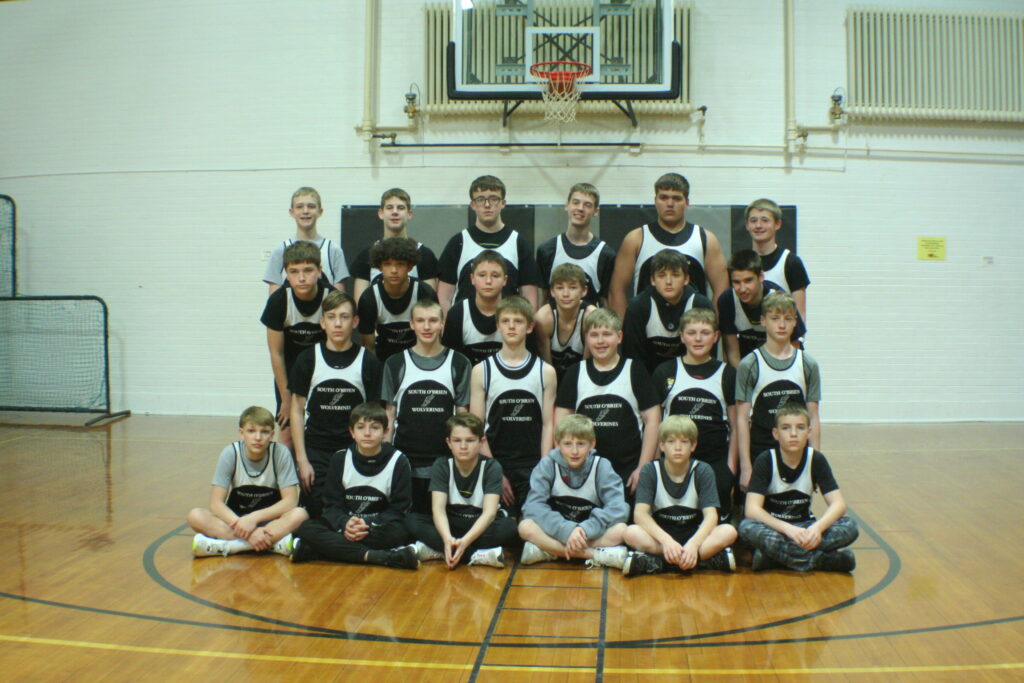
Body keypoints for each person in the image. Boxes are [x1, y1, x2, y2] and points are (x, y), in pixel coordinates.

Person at [288, 290, 383, 517]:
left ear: (355, 322)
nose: (338, 323)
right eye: (331, 317)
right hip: (317, 451)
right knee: (316, 514)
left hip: (354, 451)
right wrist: (302, 459)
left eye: (344, 317)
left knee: (353, 513)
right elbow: (297, 410)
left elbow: (375, 415)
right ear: (322, 322)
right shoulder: (308, 358)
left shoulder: (368, 361)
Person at [291, 403, 418, 569]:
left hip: (376, 528)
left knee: (401, 532)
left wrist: (366, 523)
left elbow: (399, 509)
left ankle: (324, 551)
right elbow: (331, 506)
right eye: (360, 427)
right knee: (307, 528)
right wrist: (345, 523)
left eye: (374, 428)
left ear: (386, 431)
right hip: (347, 526)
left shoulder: (399, 461)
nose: (367, 433)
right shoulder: (340, 459)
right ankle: (377, 556)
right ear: (352, 432)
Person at [739, 402, 858, 572]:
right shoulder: (765, 460)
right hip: (776, 530)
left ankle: (775, 559)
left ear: (809, 432)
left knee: (850, 526)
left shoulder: (816, 460)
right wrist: (788, 530)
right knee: (747, 527)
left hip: (806, 528)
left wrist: (817, 528)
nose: (793, 434)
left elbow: (838, 504)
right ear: (776, 434)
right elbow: (752, 510)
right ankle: (821, 560)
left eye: (800, 428)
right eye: (786, 428)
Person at [555, 308, 661, 496]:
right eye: (594, 335)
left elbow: (653, 421)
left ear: (619, 337)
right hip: (583, 474)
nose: (600, 341)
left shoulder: (635, 370)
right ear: (586, 338)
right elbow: (560, 425)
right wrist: (566, 467)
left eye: (606, 334)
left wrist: (643, 468)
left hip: (628, 474)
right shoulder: (574, 373)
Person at [383, 298, 473, 514]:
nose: (426, 327)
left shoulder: (460, 363)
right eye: (420, 321)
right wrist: (386, 458)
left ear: (442, 324)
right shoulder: (395, 363)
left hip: (444, 464)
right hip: (405, 461)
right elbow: (389, 415)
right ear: (411, 324)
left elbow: (463, 417)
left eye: (432, 320)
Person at [470, 295, 557, 517]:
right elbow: (476, 428)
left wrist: (543, 469)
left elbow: (548, 425)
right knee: (503, 527)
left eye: (518, 321)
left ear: (529, 327)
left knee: (532, 526)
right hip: (496, 463)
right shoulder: (482, 371)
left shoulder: (545, 372)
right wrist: (493, 471)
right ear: (498, 326)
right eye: (506, 321)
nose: (511, 326)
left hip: (532, 465)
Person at [621, 416, 737, 575]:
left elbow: (711, 516)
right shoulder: (650, 470)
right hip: (661, 536)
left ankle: (657, 562)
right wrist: (666, 541)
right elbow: (640, 515)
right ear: (661, 445)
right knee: (630, 533)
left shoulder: (703, 470)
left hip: (693, 534)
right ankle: (701, 561)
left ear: (693, 445)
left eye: (684, 442)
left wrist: (694, 544)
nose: (677, 447)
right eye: (671, 441)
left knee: (728, 531)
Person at [189, 406, 308, 557]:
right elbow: (216, 504)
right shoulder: (230, 453)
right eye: (251, 431)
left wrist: (253, 518)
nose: (258, 437)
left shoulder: (280, 453)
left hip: (269, 522)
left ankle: (230, 547)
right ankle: (272, 544)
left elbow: (290, 501)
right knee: (195, 516)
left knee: (300, 515)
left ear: (272, 435)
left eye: (264, 432)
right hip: (236, 521)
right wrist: (244, 526)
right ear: (241, 433)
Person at [651, 307, 737, 516]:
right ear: (682, 336)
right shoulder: (665, 371)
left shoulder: (727, 374)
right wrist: (654, 462)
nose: (698, 339)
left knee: (717, 522)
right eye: (691, 333)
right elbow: (655, 424)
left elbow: (736, 426)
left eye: (705, 333)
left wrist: (730, 467)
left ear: (716, 336)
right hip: (674, 460)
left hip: (715, 460)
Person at [735, 291, 821, 494]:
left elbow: (814, 417)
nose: (781, 325)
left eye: (788, 319)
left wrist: (815, 463)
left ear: (795, 322)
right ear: (763, 320)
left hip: (796, 454)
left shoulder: (807, 364)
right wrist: (746, 467)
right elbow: (742, 419)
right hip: (760, 453)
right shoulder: (749, 364)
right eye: (775, 318)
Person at [406, 413, 519, 568]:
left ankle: (442, 551)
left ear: (481, 442)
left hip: (480, 525)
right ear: (449, 443)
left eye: (470, 440)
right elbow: (438, 510)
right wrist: (447, 539)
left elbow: (489, 513)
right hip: (451, 525)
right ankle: (475, 555)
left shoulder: (492, 467)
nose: (463, 446)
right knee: (412, 521)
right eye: (457, 441)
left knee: (510, 528)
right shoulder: (442, 465)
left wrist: (465, 541)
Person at [517, 414, 630, 568]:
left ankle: (550, 551)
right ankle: (596, 555)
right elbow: (532, 507)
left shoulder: (602, 466)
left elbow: (618, 508)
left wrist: (584, 529)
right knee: (525, 526)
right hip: (557, 531)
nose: (574, 451)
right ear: (557, 443)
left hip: (588, 533)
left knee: (621, 530)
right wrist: (566, 530)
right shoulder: (547, 464)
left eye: (581, 444)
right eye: (568, 444)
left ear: (592, 444)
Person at [608, 173, 728, 316]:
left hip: (694, 327)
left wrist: (712, 324)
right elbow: (617, 290)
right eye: (664, 197)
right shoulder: (636, 239)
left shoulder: (706, 239)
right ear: (655, 201)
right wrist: (624, 327)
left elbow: (722, 292)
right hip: (646, 327)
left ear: (687, 202)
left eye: (676, 198)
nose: (670, 204)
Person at [260, 241, 333, 448]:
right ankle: (286, 470)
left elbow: (339, 346)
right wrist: (286, 399)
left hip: (323, 371)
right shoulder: (278, 301)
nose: (301, 278)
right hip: (290, 373)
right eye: (294, 271)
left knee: (325, 428)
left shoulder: (332, 299)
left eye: (308, 270)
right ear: (286, 274)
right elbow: (276, 353)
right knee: (287, 433)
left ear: (319, 271)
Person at [436, 175, 541, 312]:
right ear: (473, 205)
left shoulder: (519, 243)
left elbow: (529, 297)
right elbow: (444, 296)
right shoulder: (458, 242)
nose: (487, 205)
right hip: (464, 323)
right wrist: (449, 323)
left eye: (493, 199)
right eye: (480, 199)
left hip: (507, 322)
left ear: (503, 203)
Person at [622, 249, 714, 374]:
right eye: (661, 275)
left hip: (692, 376)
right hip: (648, 377)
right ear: (652, 280)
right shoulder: (638, 307)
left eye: (675, 275)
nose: (668, 282)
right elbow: (633, 358)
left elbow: (709, 356)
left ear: (686, 279)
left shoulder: (701, 305)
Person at [718, 250, 806, 366]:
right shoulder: (727, 300)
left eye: (748, 280)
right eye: (736, 282)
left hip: (779, 362)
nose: (742, 289)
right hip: (746, 364)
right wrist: (743, 375)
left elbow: (794, 347)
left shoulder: (779, 299)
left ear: (761, 276)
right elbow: (733, 354)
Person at [356, 237, 437, 362]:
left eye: (400, 264)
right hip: (383, 359)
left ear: (410, 266)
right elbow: (369, 347)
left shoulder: (424, 293)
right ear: (379, 267)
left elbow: (434, 340)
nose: (394, 271)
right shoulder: (369, 298)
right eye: (387, 264)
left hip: (419, 358)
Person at [350, 188, 439, 303]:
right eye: (389, 207)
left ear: (409, 214)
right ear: (381, 213)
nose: (395, 212)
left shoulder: (425, 255)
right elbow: (360, 304)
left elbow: (430, 305)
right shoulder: (366, 256)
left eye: (400, 208)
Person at [535, 182, 615, 307]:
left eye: (587, 205)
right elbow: (542, 300)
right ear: (567, 205)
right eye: (576, 202)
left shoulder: (606, 255)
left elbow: (606, 303)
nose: (580, 208)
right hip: (554, 319)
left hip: (591, 319)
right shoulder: (546, 250)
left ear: (596, 211)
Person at [263, 187, 348, 294]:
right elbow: (274, 295)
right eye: (299, 207)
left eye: (311, 206)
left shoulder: (333, 250)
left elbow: (339, 297)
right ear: (292, 212)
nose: (305, 211)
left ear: (320, 212)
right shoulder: (280, 251)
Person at [744, 198, 810, 322]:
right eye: (753, 221)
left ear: (777, 224)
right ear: (747, 225)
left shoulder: (791, 262)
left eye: (765, 220)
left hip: (780, 333)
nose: (758, 225)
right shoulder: (740, 262)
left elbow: (800, 315)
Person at [440, 250, 507, 365]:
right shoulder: (457, 313)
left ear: (505, 280)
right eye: (482, 275)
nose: (488, 281)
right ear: (472, 278)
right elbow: (450, 363)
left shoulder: (517, 312)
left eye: (495, 276)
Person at [533, 263, 596, 381]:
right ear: (552, 291)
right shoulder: (543, 318)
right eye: (560, 288)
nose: (566, 294)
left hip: (582, 378)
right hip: (551, 379)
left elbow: (587, 367)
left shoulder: (591, 317)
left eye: (572, 287)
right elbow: (546, 368)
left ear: (584, 290)